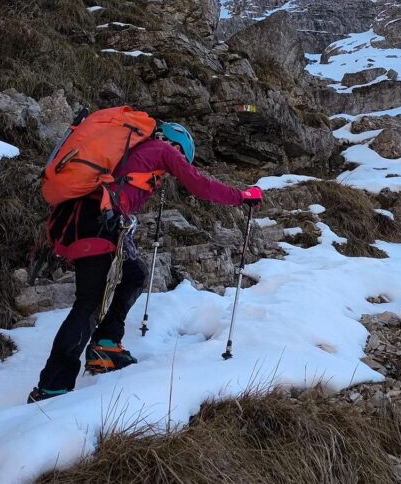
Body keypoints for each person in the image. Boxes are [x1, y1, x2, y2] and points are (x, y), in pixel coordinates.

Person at [28, 122, 262, 403]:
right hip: (96, 222)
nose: (169, 173)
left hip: (87, 219)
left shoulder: (132, 152)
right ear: (177, 147)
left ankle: (106, 345)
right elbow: (199, 184)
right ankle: (53, 385)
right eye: (180, 159)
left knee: (135, 274)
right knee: (88, 303)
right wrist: (242, 196)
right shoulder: (161, 149)